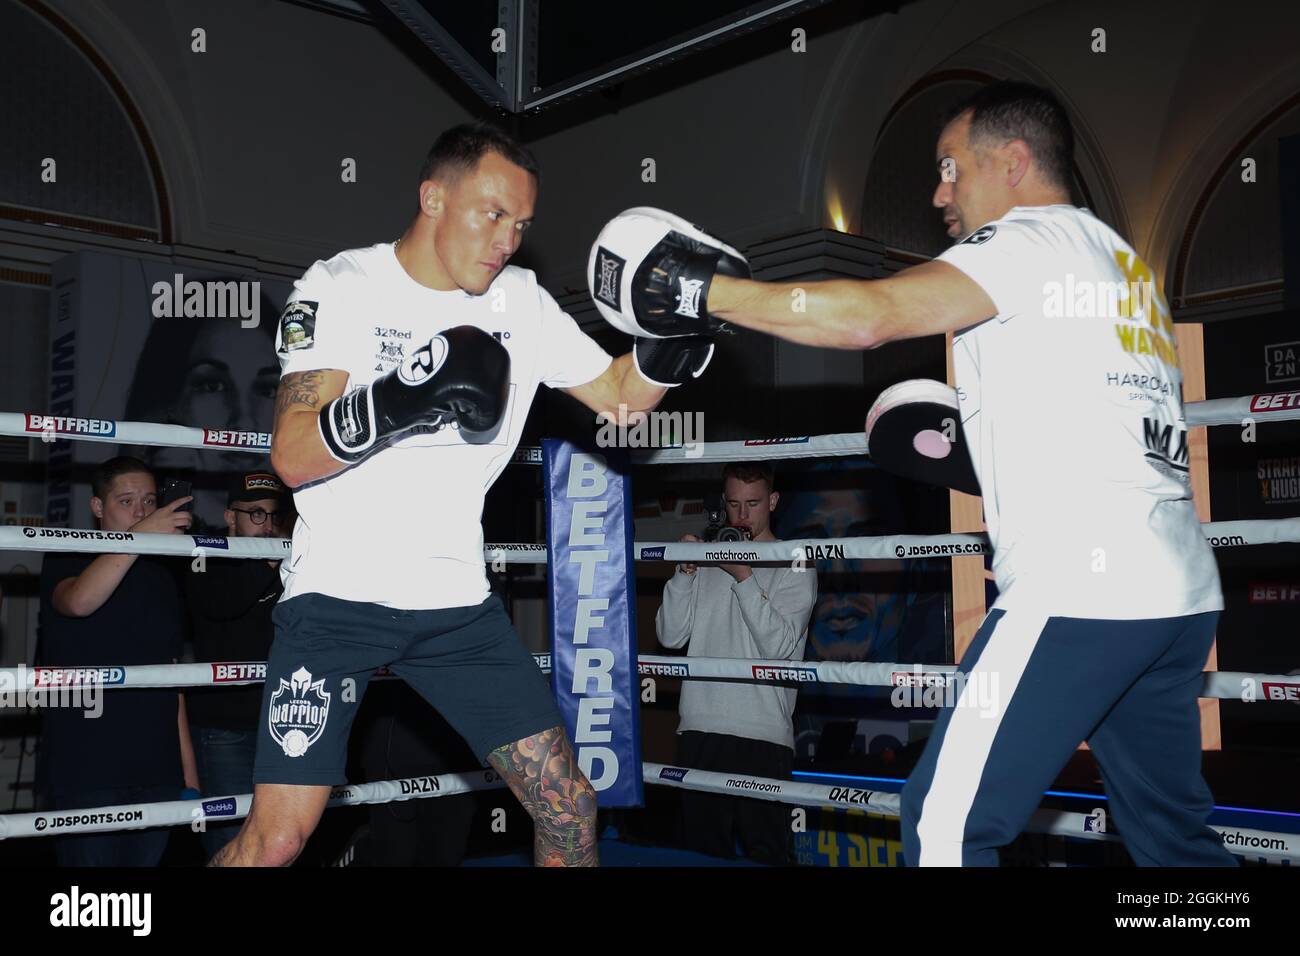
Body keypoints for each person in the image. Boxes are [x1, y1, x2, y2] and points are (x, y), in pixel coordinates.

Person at [592, 81, 1235, 866]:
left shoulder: (1029, 243)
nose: (938, 192)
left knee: (942, 824)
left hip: (1083, 592)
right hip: (1178, 596)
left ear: (1014, 160)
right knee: (1175, 840)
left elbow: (870, 317)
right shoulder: (1123, 264)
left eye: (951, 168)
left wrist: (699, 292)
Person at [210, 121, 684, 867]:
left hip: (457, 609)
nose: (507, 240)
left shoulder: (520, 303)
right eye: (493, 214)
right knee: (276, 843)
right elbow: (293, 456)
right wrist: (400, 400)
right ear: (432, 196)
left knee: (569, 811)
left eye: (521, 226)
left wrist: (675, 342)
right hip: (338, 601)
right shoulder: (342, 288)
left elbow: (622, 400)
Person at [37, 456, 200, 865]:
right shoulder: (67, 553)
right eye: (126, 501)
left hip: (156, 768)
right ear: (97, 507)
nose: (141, 512)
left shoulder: (163, 576)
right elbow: (79, 601)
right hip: (86, 767)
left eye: (149, 501)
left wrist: (189, 775)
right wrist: (140, 537)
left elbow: (171, 675)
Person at [655, 462, 816, 864]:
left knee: (769, 855)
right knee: (702, 856)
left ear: (773, 502)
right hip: (700, 726)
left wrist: (744, 576)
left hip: (762, 734)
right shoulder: (708, 557)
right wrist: (684, 572)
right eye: (733, 505)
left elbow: (778, 648)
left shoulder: (794, 562)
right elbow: (670, 637)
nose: (742, 516)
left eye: (753, 504)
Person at [182, 470, 294, 856]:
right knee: (230, 839)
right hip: (224, 727)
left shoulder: (287, 560)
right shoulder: (204, 555)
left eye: (273, 515)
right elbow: (220, 605)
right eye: (256, 514)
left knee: (281, 839)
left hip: (281, 723)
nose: (266, 525)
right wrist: (265, 563)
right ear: (230, 516)